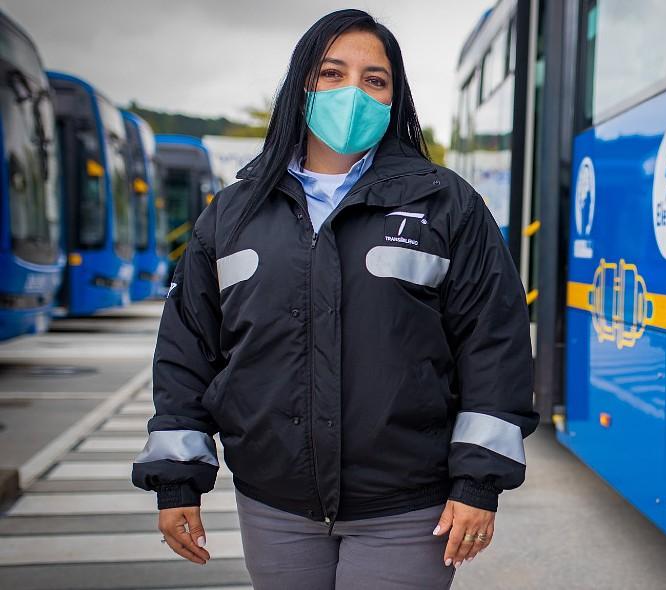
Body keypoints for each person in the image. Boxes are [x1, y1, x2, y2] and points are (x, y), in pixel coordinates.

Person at [131, 9, 537, 589]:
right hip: (275, 506)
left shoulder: (447, 205)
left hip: (406, 508)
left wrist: (478, 483)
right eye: (332, 73)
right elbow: (186, 348)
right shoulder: (233, 213)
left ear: (396, 99)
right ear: (303, 87)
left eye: (375, 80)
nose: (354, 93)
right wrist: (176, 479)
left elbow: (493, 344)